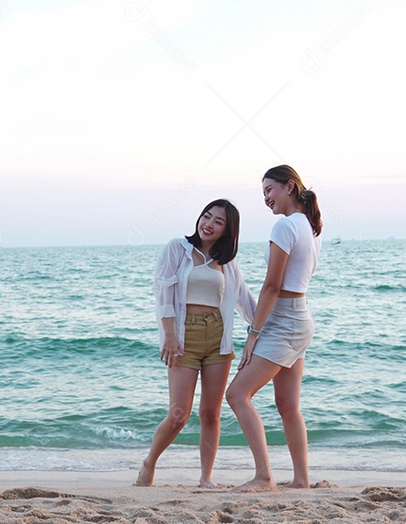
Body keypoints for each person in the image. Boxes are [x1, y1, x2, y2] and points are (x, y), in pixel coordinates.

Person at [135, 199, 257, 488]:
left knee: (211, 413)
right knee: (179, 414)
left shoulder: (228, 264)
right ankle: (149, 462)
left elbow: (247, 303)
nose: (209, 224)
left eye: (218, 221)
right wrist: (169, 335)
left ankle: (206, 478)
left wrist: (265, 328)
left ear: (228, 231)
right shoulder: (177, 248)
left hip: (218, 338)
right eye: (207, 216)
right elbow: (163, 292)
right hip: (182, 335)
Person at [225, 165, 322, 492]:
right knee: (288, 406)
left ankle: (264, 476)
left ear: (290, 187)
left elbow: (272, 286)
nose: (266, 198)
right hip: (300, 318)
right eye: (263, 192)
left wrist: (254, 333)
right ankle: (301, 479)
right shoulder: (308, 226)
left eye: (270, 190)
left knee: (237, 394)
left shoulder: (284, 227)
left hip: (284, 321)